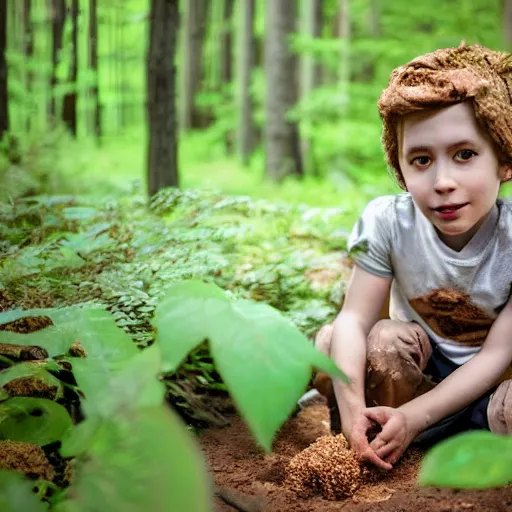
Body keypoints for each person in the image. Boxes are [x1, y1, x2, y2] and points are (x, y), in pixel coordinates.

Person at [312, 42, 512, 471]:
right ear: (401, 169)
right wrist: (351, 413)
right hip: (412, 380)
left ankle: (441, 436)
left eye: (465, 155)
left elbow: (499, 353)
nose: (442, 181)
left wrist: (414, 418)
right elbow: (354, 319)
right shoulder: (387, 220)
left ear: (504, 159)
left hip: (491, 387)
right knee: (339, 341)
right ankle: (375, 433)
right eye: (421, 160)